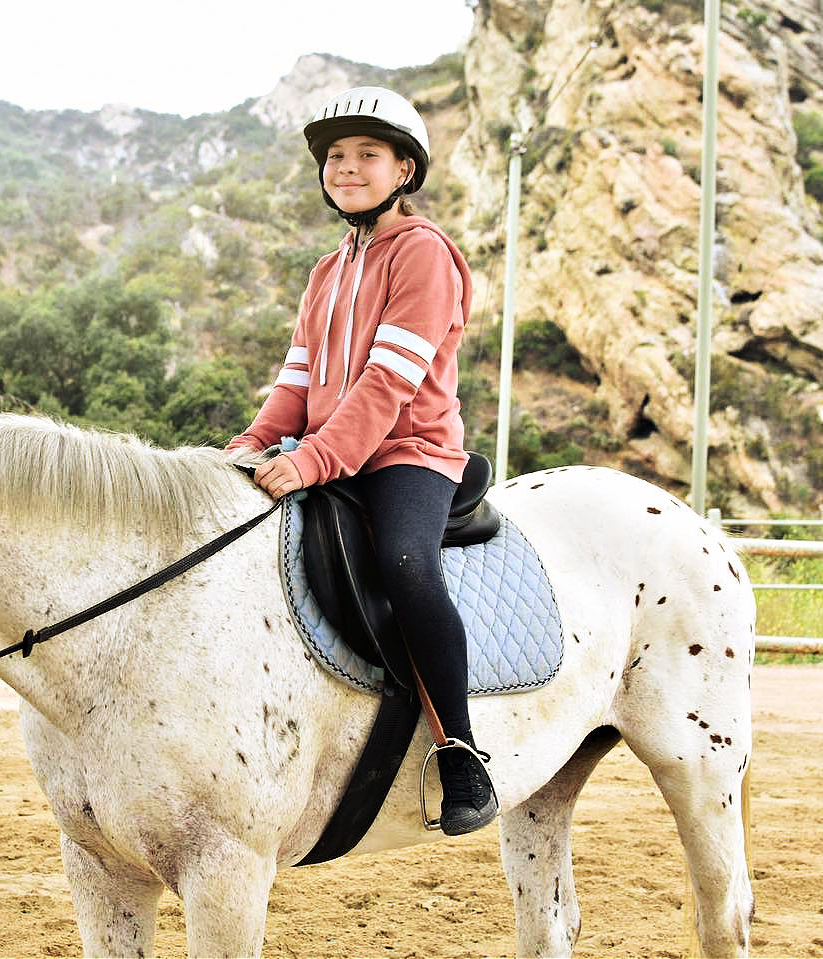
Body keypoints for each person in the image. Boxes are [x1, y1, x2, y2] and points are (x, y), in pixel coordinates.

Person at [225, 86, 497, 836]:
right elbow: (295, 382)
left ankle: (460, 749)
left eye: (367, 155)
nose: (347, 168)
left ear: (404, 169)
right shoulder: (326, 269)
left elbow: (387, 384)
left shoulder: (424, 254)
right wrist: (247, 445)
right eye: (336, 158)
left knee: (407, 560)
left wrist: (313, 460)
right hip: (325, 449)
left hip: (407, 453)